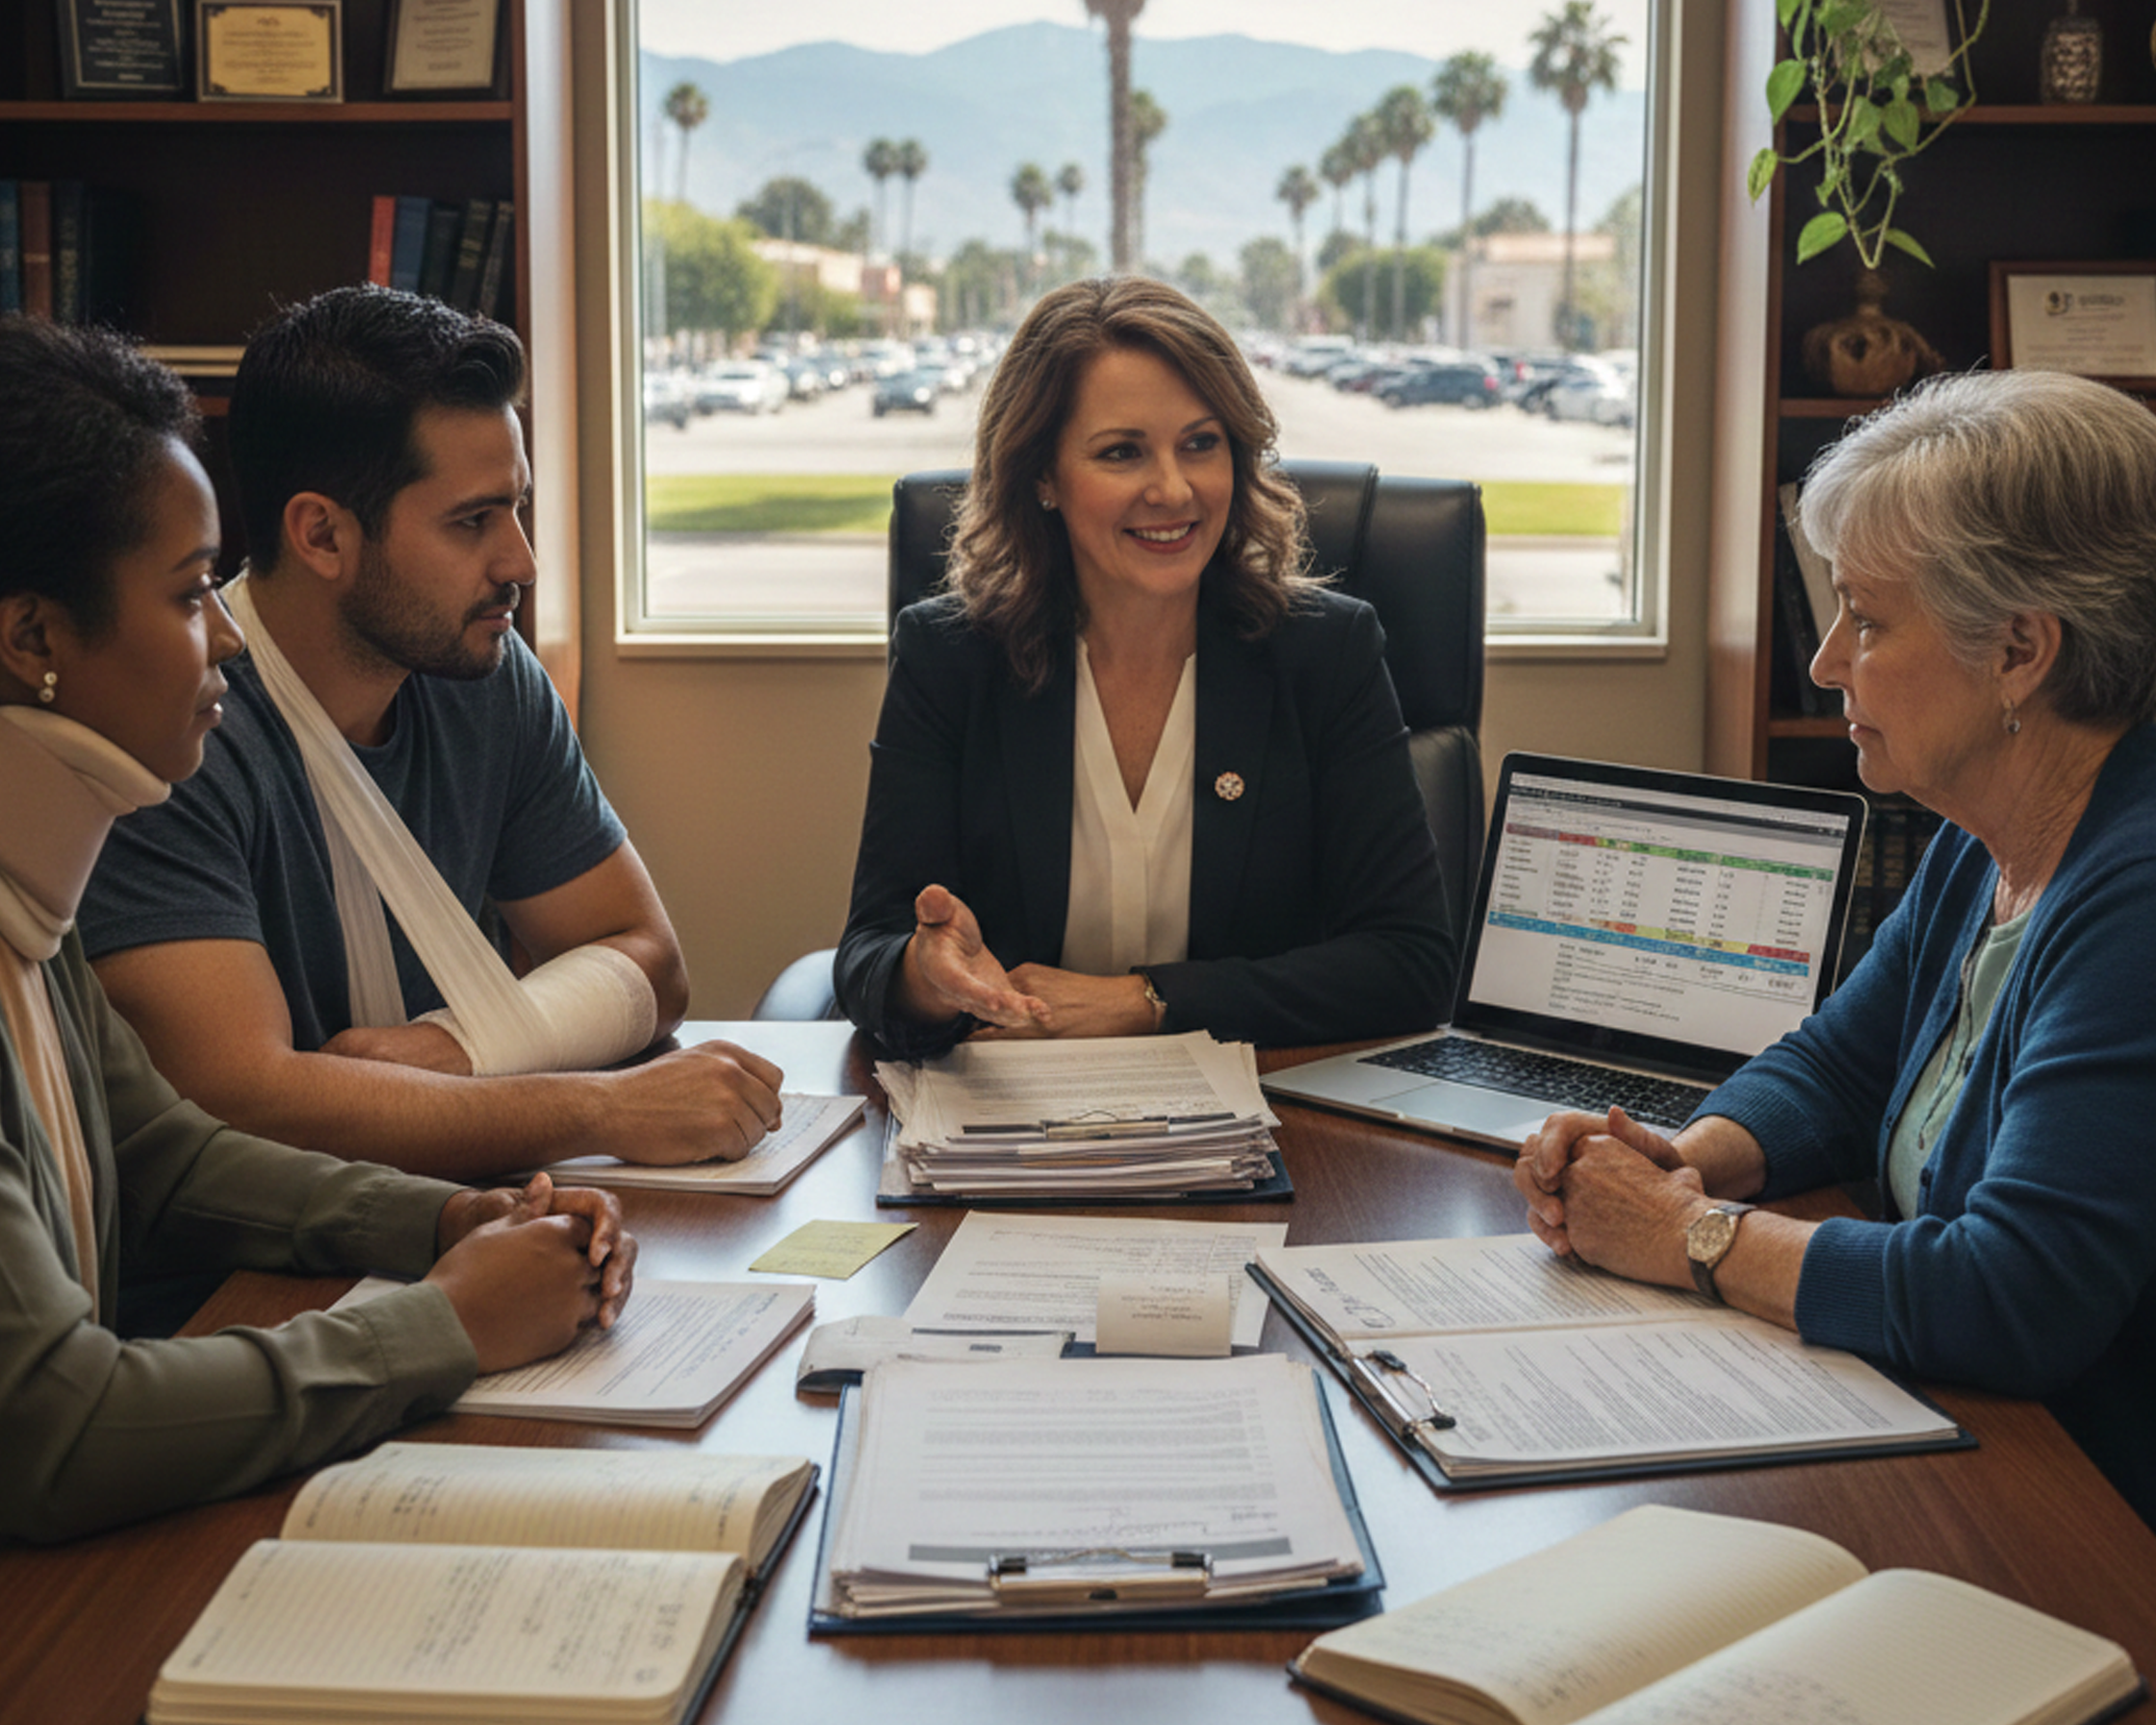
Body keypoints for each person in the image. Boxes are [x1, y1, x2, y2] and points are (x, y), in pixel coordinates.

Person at [0, 316, 639, 1542]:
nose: (226, 633)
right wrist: (445, 1320)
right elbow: (54, 1424)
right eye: (192, 594)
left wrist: (448, 1220)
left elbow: (164, 1155)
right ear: (32, 638)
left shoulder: (35, 909)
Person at [1513, 369, 2156, 1527]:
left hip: (2092, 1507)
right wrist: (1687, 1158)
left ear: (2018, 650)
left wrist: (1683, 1235)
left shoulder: (2135, 896)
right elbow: (1835, 1068)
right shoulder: (1985, 831)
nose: (1823, 664)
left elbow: (2013, 1295)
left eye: (1863, 619)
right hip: (1974, 1439)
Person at [79, 287, 782, 1181]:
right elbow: (241, 1099)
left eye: (518, 509)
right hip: (241, 1280)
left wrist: (463, 1048)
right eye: (473, 520)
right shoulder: (177, 730)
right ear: (322, 534)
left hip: (461, 1219)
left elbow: (648, 961)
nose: (521, 562)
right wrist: (602, 1107)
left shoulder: (481, 673)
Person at [834, 276, 1455, 1055]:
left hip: (1271, 1129)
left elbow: (1412, 962)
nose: (1173, 488)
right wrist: (927, 977)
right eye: (1122, 452)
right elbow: (867, 955)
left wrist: (1147, 1001)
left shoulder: (1325, 654)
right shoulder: (950, 658)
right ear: (1042, 477)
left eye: (1202, 443)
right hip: (1006, 1127)